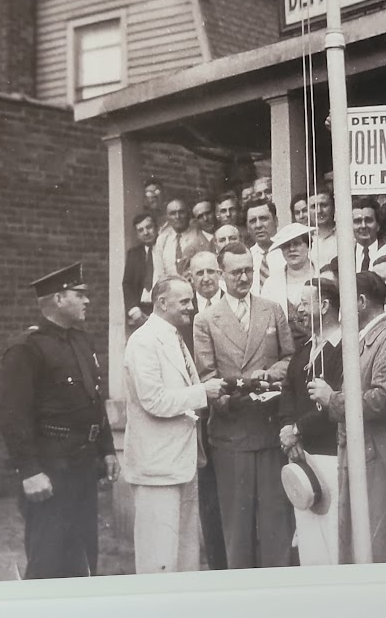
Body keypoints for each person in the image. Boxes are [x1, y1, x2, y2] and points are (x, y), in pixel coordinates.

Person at [0, 263, 120, 578]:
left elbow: (94, 399)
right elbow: (12, 415)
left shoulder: (82, 341)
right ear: (58, 299)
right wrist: (29, 471)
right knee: (48, 559)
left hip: (82, 467)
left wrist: (107, 449)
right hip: (50, 470)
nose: (87, 300)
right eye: (80, 294)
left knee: (84, 557)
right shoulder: (26, 348)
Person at [309, 271, 386, 564]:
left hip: (384, 455)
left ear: (361, 301)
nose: (339, 310)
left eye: (344, 301)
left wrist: (332, 399)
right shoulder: (371, 338)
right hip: (368, 453)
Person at [193, 243, 295, 569]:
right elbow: (207, 376)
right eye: (236, 271)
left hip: (268, 430)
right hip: (232, 434)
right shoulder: (206, 320)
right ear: (221, 274)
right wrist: (234, 394)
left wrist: (270, 374)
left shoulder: (272, 310)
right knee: (237, 529)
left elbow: (290, 358)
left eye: (248, 270)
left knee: (275, 523)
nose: (244, 277)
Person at [124, 276, 226, 574]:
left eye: (190, 301)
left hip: (182, 463)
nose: (191, 307)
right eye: (184, 301)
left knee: (184, 556)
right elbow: (153, 400)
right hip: (157, 467)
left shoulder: (175, 337)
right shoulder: (143, 341)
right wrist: (202, 393)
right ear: (162, 302)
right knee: (159, 558)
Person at [278, 279, 344, 565]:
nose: (299, 311)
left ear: (325, 305)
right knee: (309, 540)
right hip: (301, 458)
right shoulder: (305, 349)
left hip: (332, 456)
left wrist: (297, 430)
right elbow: (288, 392)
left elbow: (336, 402)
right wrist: (287, 429)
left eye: (305, 303)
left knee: (334, 536)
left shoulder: (345, 349)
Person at [181, 251, 228, 570]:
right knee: (209, 495)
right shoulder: (184, 314)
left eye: (212, 271)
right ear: (190, 278)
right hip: (200, 417)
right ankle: (217, 564)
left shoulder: (236, 306)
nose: (207, 278)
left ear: (220, 273)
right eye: (200, 273)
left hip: (234, 410)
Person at [260, 223, 318, 348]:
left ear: (308, 246)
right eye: (286, 245)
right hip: (285, 351)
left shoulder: (322, 276)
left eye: (297, 244)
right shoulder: (271, 284)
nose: (291, 249)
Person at [122, 213, 160, 332]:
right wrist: (134, 310)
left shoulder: (164, 250)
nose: (146, 232)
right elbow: (127, 284)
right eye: (140, 230)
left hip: (161, 308)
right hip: (141, 311)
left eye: (149, 227)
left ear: (156, 228)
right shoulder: (134, 254)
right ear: (137, 234)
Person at [157, 198, 212, 277]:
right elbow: (158, 272)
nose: (177, 216)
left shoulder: (199, 235)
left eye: (181, 212)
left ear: (188, 214)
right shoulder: (163, 239)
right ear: (167, 217)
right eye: (172, 213)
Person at [246, 198, 285, 295]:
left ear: (276, 221)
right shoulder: (247, 257)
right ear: (247, 227)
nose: (258, 225)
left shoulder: (288, 253)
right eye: (252, 221)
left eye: (263, 219)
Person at [352, 196, 385, 272]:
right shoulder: (344, 258)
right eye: (357, 221)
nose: (363, 226)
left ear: (378, 225)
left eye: (368, 220)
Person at [309, 187, 338, 269]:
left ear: (333, 207)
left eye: (324, 205)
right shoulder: (306, 238)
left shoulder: (345, 236)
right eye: (314, 206)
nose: (319, 211)